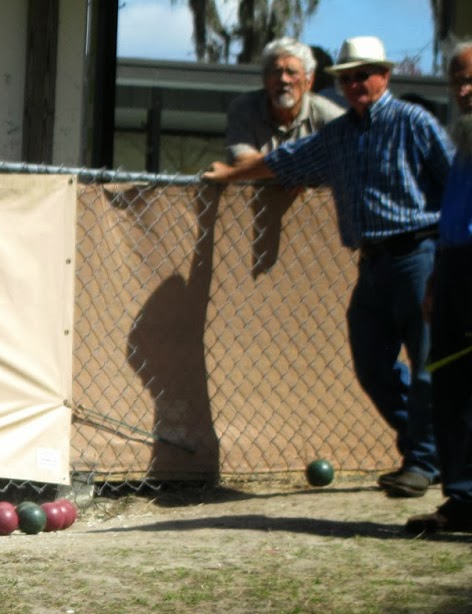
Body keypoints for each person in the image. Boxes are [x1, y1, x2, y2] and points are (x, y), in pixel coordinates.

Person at [202, 36, 453, 499]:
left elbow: (454, 181)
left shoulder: (413, 121)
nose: (355, 83)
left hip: (419, 254)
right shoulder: (338, 134)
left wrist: (451, 255)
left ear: (385, 75)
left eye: (364, 74)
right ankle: (428, 448)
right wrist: (228, 175)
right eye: (348, 77)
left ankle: (422, 461)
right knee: (372, 365)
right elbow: (283, 163)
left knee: (425, 367)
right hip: (372, 262)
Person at [407, 41, 472, 534]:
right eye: (457, 81)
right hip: (451, 267)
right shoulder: (462, 143)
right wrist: (434, 277)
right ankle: (462, 497)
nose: (464, 90)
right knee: (450, 381)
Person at [223, 38, 342, 163]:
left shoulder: (332, 118)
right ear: (264, 79)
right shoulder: (244, 110)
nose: (283, 79)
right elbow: (242, 162)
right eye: (276, 71)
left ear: (308, 81)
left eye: (292, 72)